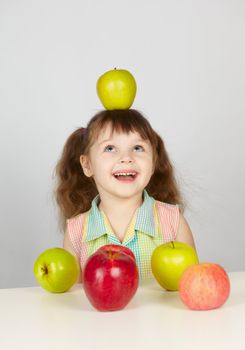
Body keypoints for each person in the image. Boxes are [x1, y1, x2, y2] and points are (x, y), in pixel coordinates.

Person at [55, 109, 197, 282]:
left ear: (153, 162)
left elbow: (190, 286)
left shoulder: (173, 222)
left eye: (138, 148)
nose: (126, 158)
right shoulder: (76, 232)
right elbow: (75, 298)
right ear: (87, 165)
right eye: (110, 148)